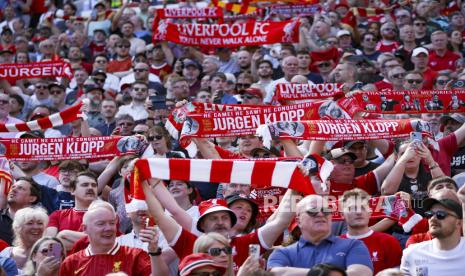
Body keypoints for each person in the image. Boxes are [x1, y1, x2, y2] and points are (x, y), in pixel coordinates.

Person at [267, 194, 373, 276]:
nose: (320, 214)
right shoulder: (283, 253)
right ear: (298, 221)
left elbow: (361, 274)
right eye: (313, 211)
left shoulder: (353, 245)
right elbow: (275, 274)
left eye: (326, 210)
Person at [59, 201, 159, 275]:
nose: (108, 228)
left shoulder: (135, 255)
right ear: (85, 228)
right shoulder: (71, 262)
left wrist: (154, 251)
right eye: (101, 224)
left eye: (112, 223)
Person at [340, 189, 402, 274]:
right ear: (342, 214)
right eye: (352, 208)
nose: (358, 212)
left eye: (363, 208)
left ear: (370, 213)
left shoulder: (388, 242)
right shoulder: (334, 245)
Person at [400, 196, 464, 275]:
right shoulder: (411, 253)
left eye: (440, 214)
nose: (433, 218)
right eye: (429, 214)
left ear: (459, 223)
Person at [45, 171, 99, 250]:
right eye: (85, 185)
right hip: (62, 262)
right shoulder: (57, 215)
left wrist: (64, 234)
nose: (90, 188)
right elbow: (50, 245)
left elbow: (106, 241)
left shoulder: (107, 214)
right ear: (73, 191)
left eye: (94, 185)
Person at [0, 207, 48, 272]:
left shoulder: (54, 248)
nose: (36, 227)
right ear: (18, 228)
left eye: (40, 223)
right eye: (30, 223)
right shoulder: (6, 253)